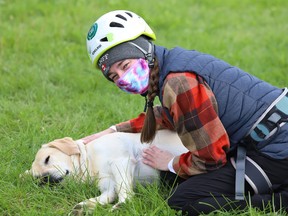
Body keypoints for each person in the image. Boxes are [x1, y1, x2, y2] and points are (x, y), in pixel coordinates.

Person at [82, 10, 288, 215]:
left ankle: (280, 200)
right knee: (174, 177)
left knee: (185, 200)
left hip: (277, 150)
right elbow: (169, 115)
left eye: (125, 65)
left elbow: (211, 159)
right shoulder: (172, 64)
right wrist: (113, 130)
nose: (123, 78)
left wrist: (171, 162)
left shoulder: (178, 82)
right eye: (114, 76)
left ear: (143, 49)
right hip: (272, 133)